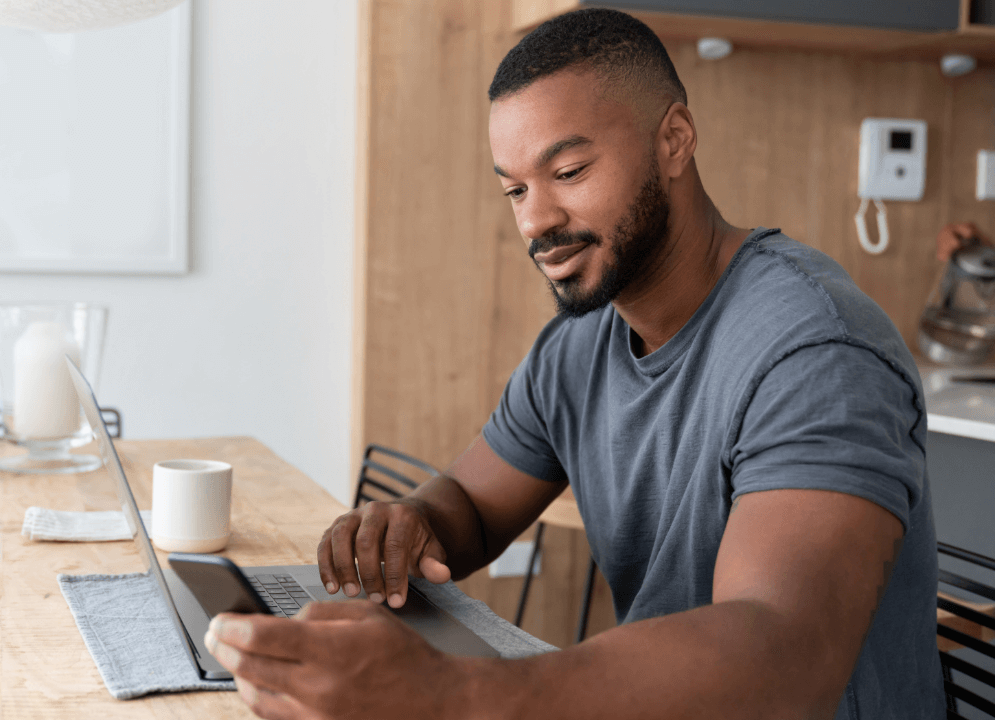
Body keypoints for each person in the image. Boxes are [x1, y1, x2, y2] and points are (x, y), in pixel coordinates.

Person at [204, 9, 945, 719]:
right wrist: (409, 523)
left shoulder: (816, 350)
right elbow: (468, 503)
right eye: (515, 189)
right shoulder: (579, 347)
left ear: (675, 140)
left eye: (569, 170)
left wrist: (453, 698)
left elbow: (785, 665)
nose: (535, 220)